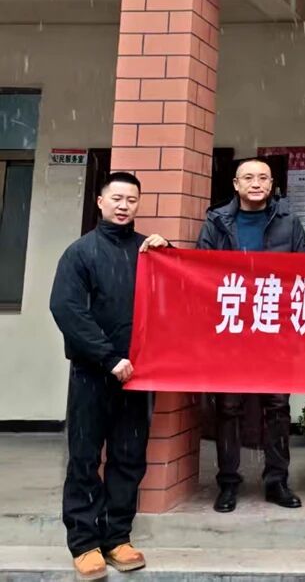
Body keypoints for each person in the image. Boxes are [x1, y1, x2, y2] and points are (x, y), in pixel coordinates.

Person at [50, 171, 169, 580]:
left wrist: (169, 254)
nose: (123, 206)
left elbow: (177, 295)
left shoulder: (148, 252)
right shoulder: (80, 252)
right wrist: (107, 357)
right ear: (100, 202)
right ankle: (84, 542)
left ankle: (117, 537)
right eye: (116, 198)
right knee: (85, 457)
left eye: (131, 200)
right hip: (92, 373)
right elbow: (67, 310)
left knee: (128, 457)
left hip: (138, 376)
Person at [197, 157, 305, 513]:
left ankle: (277, 480)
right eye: (248, 177)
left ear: (272, 183)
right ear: (236, 184)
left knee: (276, 406)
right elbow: (200, 270)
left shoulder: (289, 222)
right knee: (228, 407)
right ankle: (228, 483)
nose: (256, 183)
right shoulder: (217, 222)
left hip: (274, 330)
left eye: (263, 177)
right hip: (231, 330)